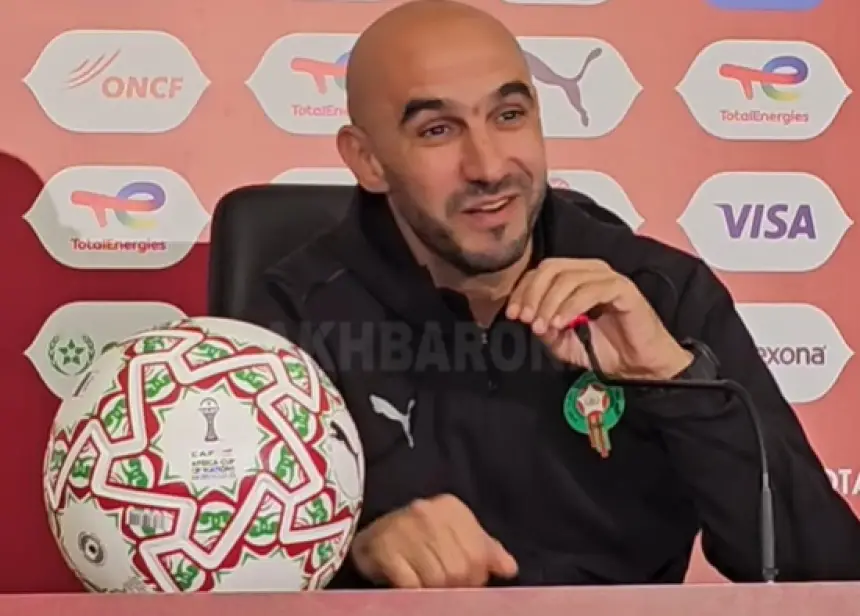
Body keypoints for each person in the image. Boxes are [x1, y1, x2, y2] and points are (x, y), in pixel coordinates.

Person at [248, 0, 860, 588]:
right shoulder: (293, 319)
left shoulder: (660, 293)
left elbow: (827, 573)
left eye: (509, 116)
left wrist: (673, 379)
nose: (488, 166)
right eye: (437, 130)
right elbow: (225, 571)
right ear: (368, 159)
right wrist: (357, 554)